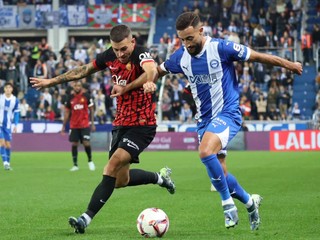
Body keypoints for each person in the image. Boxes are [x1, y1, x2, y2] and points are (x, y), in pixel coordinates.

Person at [143, 12, 302, 230]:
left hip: (228, 113)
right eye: (182, 39)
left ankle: (228, 206)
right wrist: (151, 82)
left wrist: (289, 65)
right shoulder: (180, 57)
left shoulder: (221, 48)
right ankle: (249, 202)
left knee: (205, 151)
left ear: (201, 31)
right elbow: (158, 71)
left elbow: (257, 56)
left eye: (190, 38)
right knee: (222, 175)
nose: (186, 44)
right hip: (204, 121)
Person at [30, 24, 176, 234]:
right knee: (120, 180)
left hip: (143, 125)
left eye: (124, 48)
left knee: (111, 165)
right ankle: (160, 178)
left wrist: (150, 82)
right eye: (116, 49)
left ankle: (85, 218)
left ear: (132, 42)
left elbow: (151, 69)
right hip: (120, 124)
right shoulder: (109, 56)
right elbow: (83, 71)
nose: (120, 53)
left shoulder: (141, 53)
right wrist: (51, 81)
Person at [62, 80, 96, 171]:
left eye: (79, 86)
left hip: (84, 124)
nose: (77, 87)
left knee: (86, 143)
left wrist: (92, 123)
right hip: (74, 125)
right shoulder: (69, 98)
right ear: (73, 87)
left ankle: (90, 161)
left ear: (81, 86)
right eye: (76, 86)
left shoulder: (86, 96)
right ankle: (75, 165)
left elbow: (92, 109)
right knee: (74, 144)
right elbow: (67, 112)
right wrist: (63, 126)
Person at [0, 82, 20, 170]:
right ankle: (5, 163)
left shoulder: (15, 100)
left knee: (8, 145)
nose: (8, 89)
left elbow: (16, 113)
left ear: (12, 89)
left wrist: (16, 124)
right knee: (2, 143)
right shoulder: (0, 98)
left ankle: (8, 163)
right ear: (4, 89)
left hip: (7, 125)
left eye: (9, 87)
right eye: (6, 87)